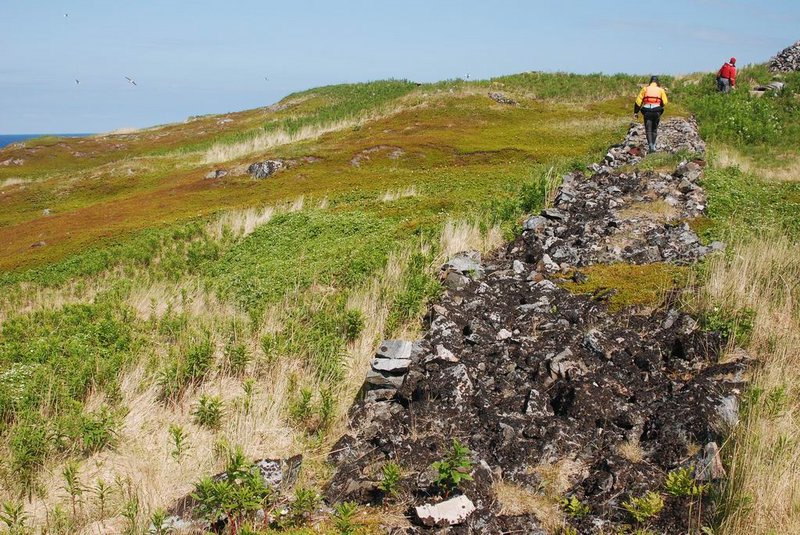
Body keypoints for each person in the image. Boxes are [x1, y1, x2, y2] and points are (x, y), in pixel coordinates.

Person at [634, 76, 668, 153]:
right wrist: (659, 105)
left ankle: (650, 146)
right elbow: (665, 102)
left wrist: (636, 112)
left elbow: (638, 102)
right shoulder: (661, 90)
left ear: (650, 82)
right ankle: (654, 146)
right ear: (657, 82)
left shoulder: (645, 89)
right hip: (657, 111)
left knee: (648, 129)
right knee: (654, 129)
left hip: (647, 111)